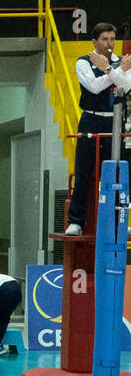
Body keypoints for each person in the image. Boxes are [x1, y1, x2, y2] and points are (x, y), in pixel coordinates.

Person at [65, 22, 131, 235]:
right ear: (95, 41)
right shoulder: (83, 62)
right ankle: (75, 222)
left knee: (117, 173)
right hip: (91, 120)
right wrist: (116, 72)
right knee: (83, 171)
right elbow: (93, 87)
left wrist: (111, 69)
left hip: (114, 121)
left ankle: (119, 221)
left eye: (112, 39)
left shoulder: (122, 62)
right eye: (104, 39)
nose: (109, 44)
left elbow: (126, 86)